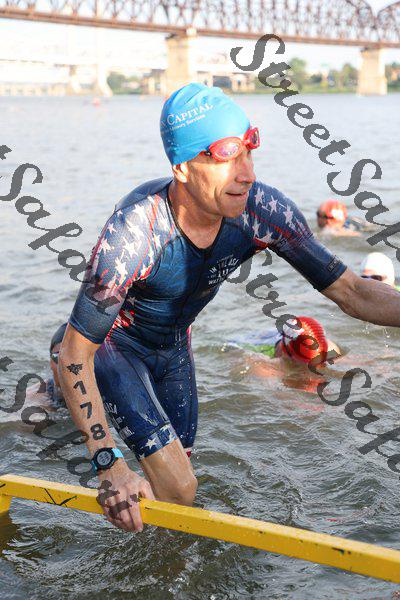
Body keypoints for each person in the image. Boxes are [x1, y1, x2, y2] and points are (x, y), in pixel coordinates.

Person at [57, 82, 400, 534]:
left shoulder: (262, 212)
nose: (247, 174)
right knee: (180, 488)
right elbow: (74, 353)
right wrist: (109, 464)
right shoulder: (134, 234)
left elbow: (353, 292)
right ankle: (56, 402)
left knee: (176, 501)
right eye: (227, 156)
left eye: (250, 151)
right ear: (182, 167)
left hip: (173, 350)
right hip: (112, 348)